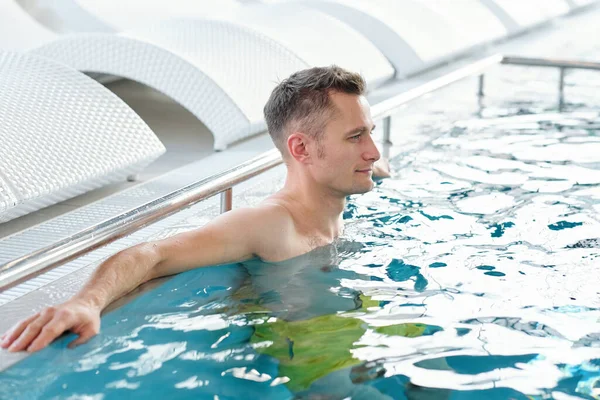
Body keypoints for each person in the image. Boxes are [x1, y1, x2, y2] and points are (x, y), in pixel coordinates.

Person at [1, 65, 390, 353]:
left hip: (356, 340)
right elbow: (151, 256)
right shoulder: (272, 224)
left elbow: (376, 164)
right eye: (356, 137)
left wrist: (373, 168)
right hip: (313, 369)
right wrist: (85, 302)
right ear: (301, 149)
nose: (372, 150)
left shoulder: (343, 185)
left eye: (370, 131)